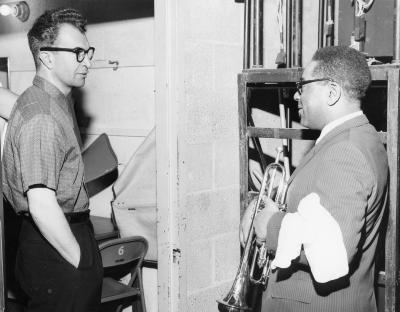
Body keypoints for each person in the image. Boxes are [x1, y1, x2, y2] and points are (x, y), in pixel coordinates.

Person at [240, 46, 388, 312]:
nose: (297, 94)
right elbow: (321, 210)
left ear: (332, 92)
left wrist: (270, 225)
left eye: (303, 85)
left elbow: (335, 247)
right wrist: (265, 205)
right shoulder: (357, 138)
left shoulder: (346, 151)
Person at [2, 8, 102, 312]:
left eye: (88, 52)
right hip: (58, 246)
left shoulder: (44, 101)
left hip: (56, 241)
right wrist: (79, 260)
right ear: (46, 57)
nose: (88, 61)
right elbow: (42, 205)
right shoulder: (42, 115)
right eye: (78, 53)